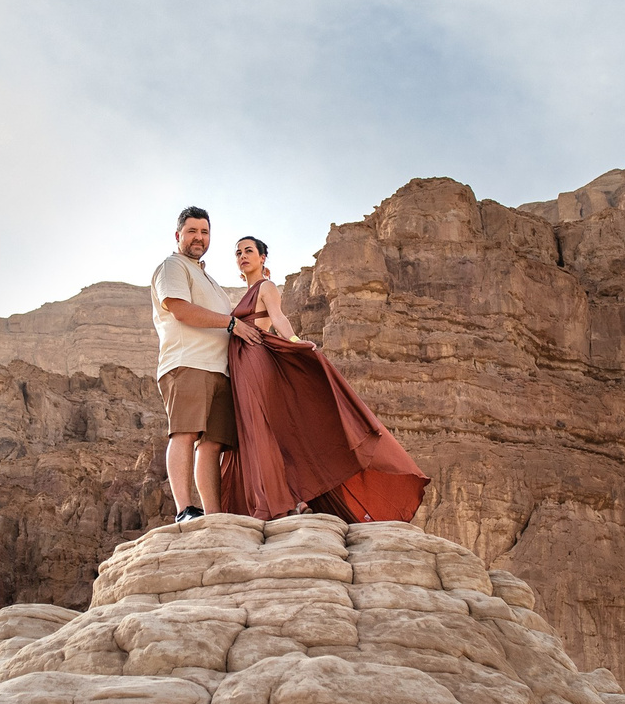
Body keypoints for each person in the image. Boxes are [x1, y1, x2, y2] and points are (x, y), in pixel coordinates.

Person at [215, 234, 427, 524]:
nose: (242, 256)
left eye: (249, 251)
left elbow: (278, 319)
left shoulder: (266, 287)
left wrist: (294, 341)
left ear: (263, 258)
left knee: (259, 429)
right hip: (239, 366)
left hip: (253, 359)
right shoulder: (245, 294)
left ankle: (277, 503)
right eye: (238, 252)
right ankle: (269, 500)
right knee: (250, 433)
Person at [149, 206, 260, 524]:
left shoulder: (208, 278)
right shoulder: (172, 267)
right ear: (178, 235)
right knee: (184, 433)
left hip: (220, 371)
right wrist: (230, 324)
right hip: (187, 363)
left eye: (205, 232)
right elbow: (181, 310)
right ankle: (184, 509)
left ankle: (213, 517)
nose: (199, 238)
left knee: (212, 445)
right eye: (192, 231)